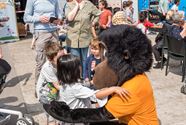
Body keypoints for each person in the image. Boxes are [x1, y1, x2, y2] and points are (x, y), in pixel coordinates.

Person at [57, 54, 130, 110]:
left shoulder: (65, 84)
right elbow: (96, 95)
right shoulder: (75, 88)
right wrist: (113, 89)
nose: (80, 67)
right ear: (74, 71)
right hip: (79, 120)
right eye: (78, 66)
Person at [24, 0, 62, 86]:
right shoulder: (32, 1)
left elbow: (59, 13)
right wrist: (39, 19)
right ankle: (39, 87)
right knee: (41, 62)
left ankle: (56, 86)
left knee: (56, 61)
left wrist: (59, 19)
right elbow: (26, 18)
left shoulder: (54, 1)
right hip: (41, 33)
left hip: (54, 32)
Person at [64, 0, 101, 77]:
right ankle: (77, 78)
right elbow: (69, 18)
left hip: (86, 38)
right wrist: (77, 6)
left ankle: (85, 77)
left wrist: (93, 23)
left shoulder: (88, 4)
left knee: (86, 60)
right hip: (73, 38)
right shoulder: (69, 5)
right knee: (75, 61)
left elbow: (98, 14)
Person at [36, 41, 65, 125]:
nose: (62, 59)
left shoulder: (60, 61)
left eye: (63, 55)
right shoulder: (47, 68)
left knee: (60, 115)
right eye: (59, 58)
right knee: (52, 116)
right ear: (50, 59)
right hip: (46, 94)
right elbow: (57, 85)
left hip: (55, 91)